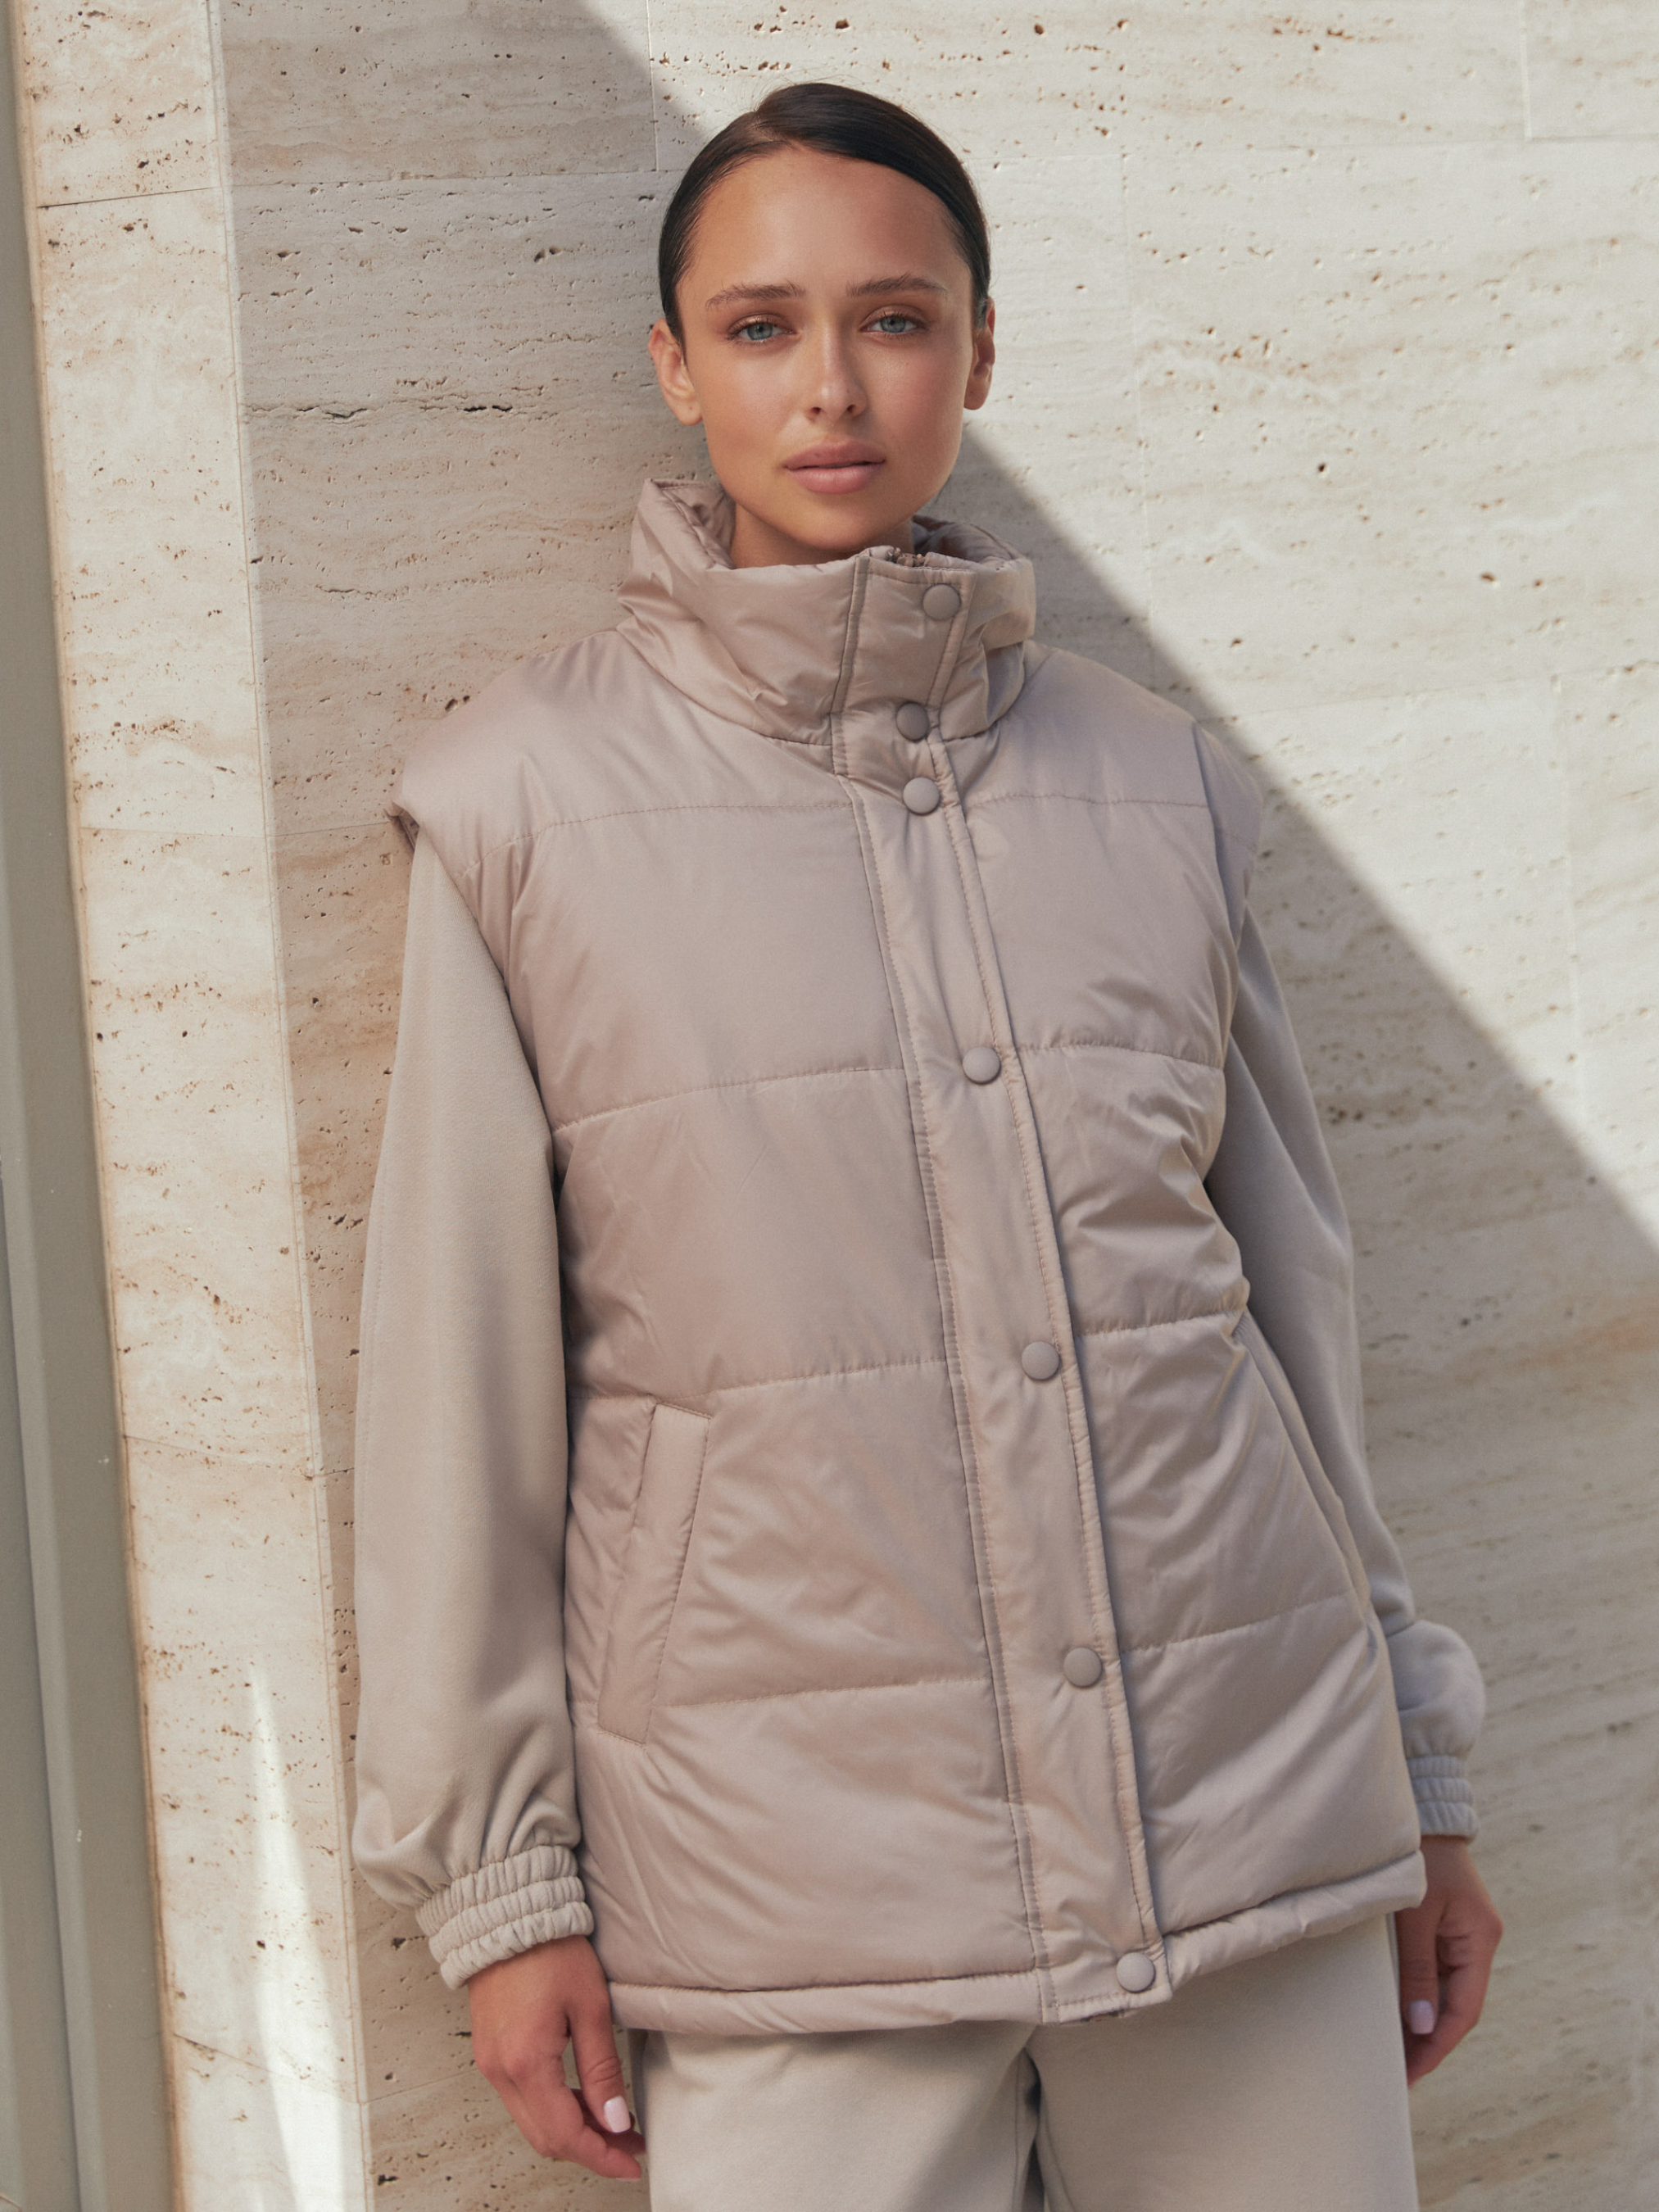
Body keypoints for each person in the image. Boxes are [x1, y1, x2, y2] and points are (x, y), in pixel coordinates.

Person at [351, 81, 1502, 2212]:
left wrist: (1414, 1767)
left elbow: (1288, 1321)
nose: (831, 384)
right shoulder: (516, 808)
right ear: (673, 365)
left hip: (1250, 1831)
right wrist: (501, 1885)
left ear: (976, 355)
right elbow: (459, 1391)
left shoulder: (1157, 786)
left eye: (893, 318)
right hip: (791, 1892)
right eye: (760, 326)